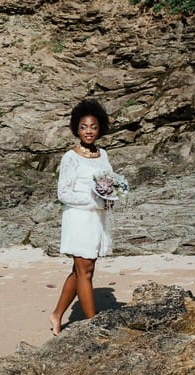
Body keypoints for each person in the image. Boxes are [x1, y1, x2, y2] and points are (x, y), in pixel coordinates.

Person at [49, 99, 113, 336]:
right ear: (77, 128)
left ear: (100, 129)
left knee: (83, 271)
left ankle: (56, 315)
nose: (88, 131)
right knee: (84, 270)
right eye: (84, 126)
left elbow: (109, 183)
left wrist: (108, 199)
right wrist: (92, 201)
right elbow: (63, 193)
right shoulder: (71, 157)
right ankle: (93, 326)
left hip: (97, 219)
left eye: (93, 126)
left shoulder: (103, 154)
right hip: (78, 217)